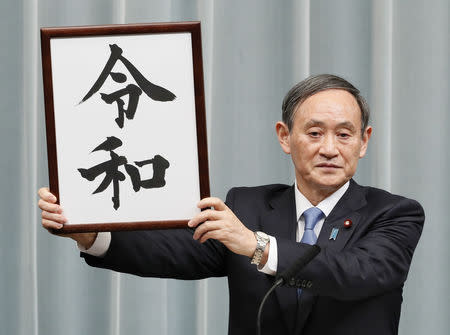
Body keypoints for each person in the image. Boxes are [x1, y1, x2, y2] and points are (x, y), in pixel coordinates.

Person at [38, 74, 424, 335]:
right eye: (314, 132)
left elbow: (355, 273)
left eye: (344, 134)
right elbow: (171, 252)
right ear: (285, 137)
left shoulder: (395, 213)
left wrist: (255, 246)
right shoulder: (248, 205)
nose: (329, 148)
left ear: (364, 141)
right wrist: (91, 232)